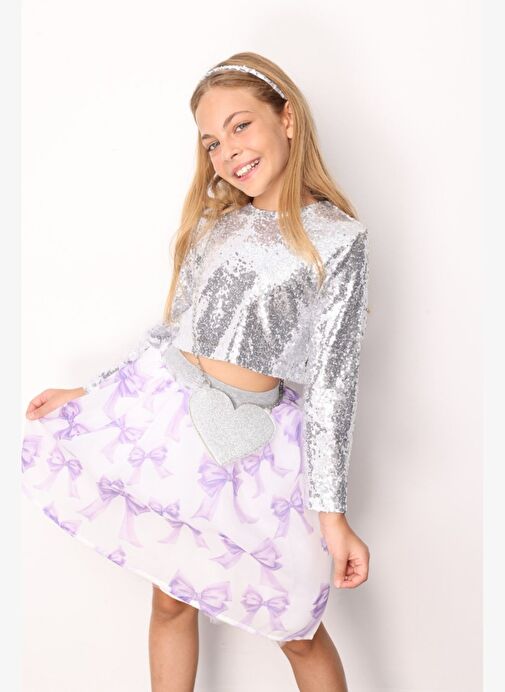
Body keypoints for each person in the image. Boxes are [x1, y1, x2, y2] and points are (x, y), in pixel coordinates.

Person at [21, 51, 371, 692]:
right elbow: (171, 334)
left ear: (287, 119)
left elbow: (334, 383)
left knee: (295, 627)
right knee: (170, 604)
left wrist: (332, 514)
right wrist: (91, 393)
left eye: (240, 126)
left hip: (254, 452)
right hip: (174, 428)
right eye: (211, 142)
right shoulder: (217, 227)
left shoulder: (338, 238)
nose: (227, 151)